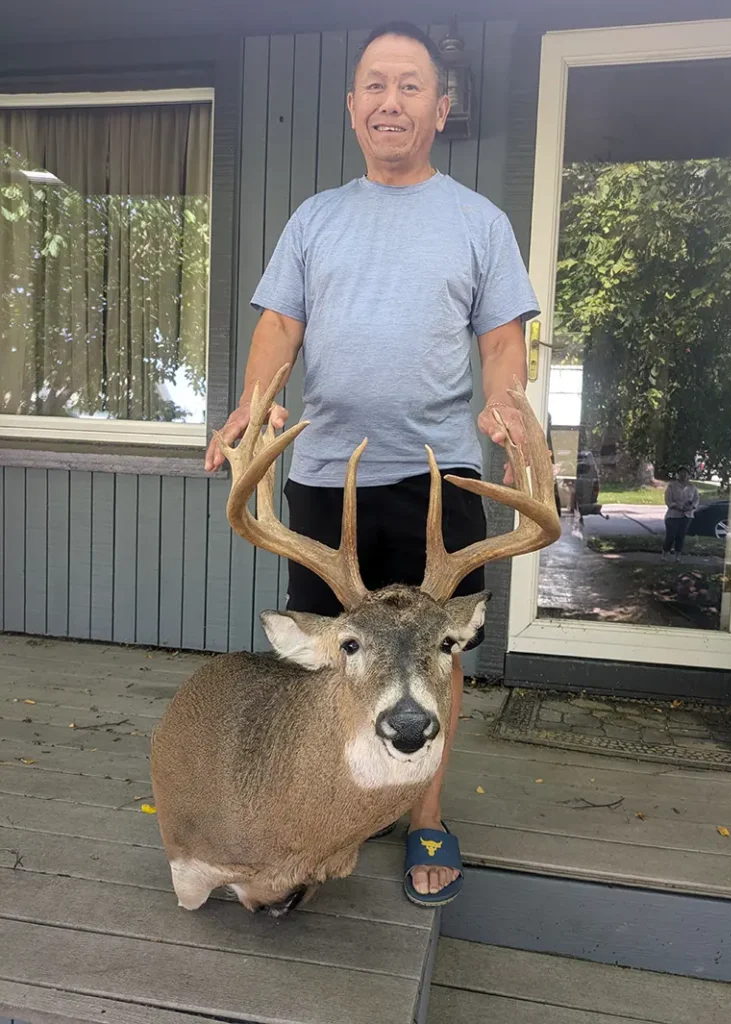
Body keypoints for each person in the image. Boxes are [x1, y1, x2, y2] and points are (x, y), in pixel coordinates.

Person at [205, 21, 539, 907]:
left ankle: (423, 811)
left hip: (439, 485)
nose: (391, 101)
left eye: (410, 86)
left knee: (434, 658)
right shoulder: (316, 218)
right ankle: (321, 815)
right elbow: (279, 327)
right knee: (330, 661)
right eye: (375, 86)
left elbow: (503, 339)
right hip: (326, 481)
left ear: (441, 106)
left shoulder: (478, 221)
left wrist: (503, 401)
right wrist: (253, 398)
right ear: (352, 107)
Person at [663, 466, 700, 561]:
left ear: (688, 475)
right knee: (670, 536)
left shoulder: (692, 487)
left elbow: (696, 499)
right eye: (681, 473)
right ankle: (664, 554)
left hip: (687, 515)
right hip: (673, 515)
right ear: (677, 475)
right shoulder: (672, 486)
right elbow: (668, 500)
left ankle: (677, 556)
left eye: (685, 473)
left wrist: (691, 507)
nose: (683, 475)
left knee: (681, 536)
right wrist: (677, 507)